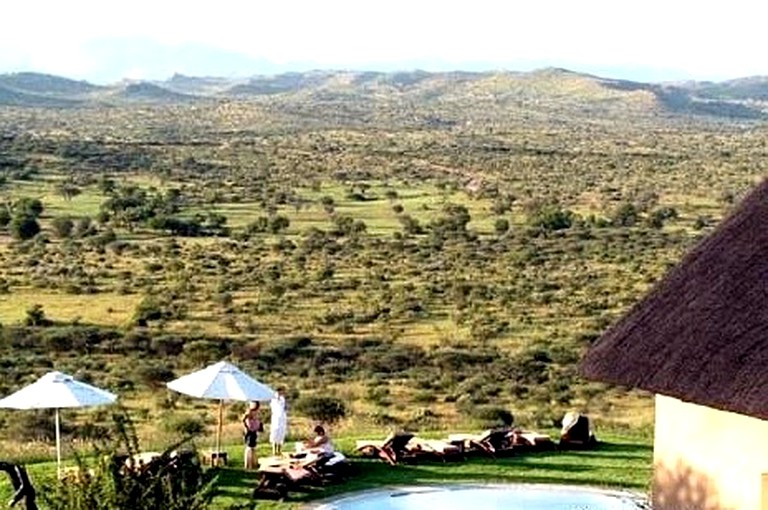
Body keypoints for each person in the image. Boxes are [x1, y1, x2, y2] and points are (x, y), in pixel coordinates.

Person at [242, 402, 264, 469]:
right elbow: (245, 421)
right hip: (250, 432)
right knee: (249, 448)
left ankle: (253, 464)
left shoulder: (255, 413)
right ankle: (248, 464)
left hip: (253, 432)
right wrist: (247, 427)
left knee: (252, 448)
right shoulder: (249, 412)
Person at [269, 388, 287, 456]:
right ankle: (274, 450)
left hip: (282, 418)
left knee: (281, 433)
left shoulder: (283, 398)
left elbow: (283, 407)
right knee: (275, 433)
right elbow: (273, 407)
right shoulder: (273, 398)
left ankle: (279, 450)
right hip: (276, 418)